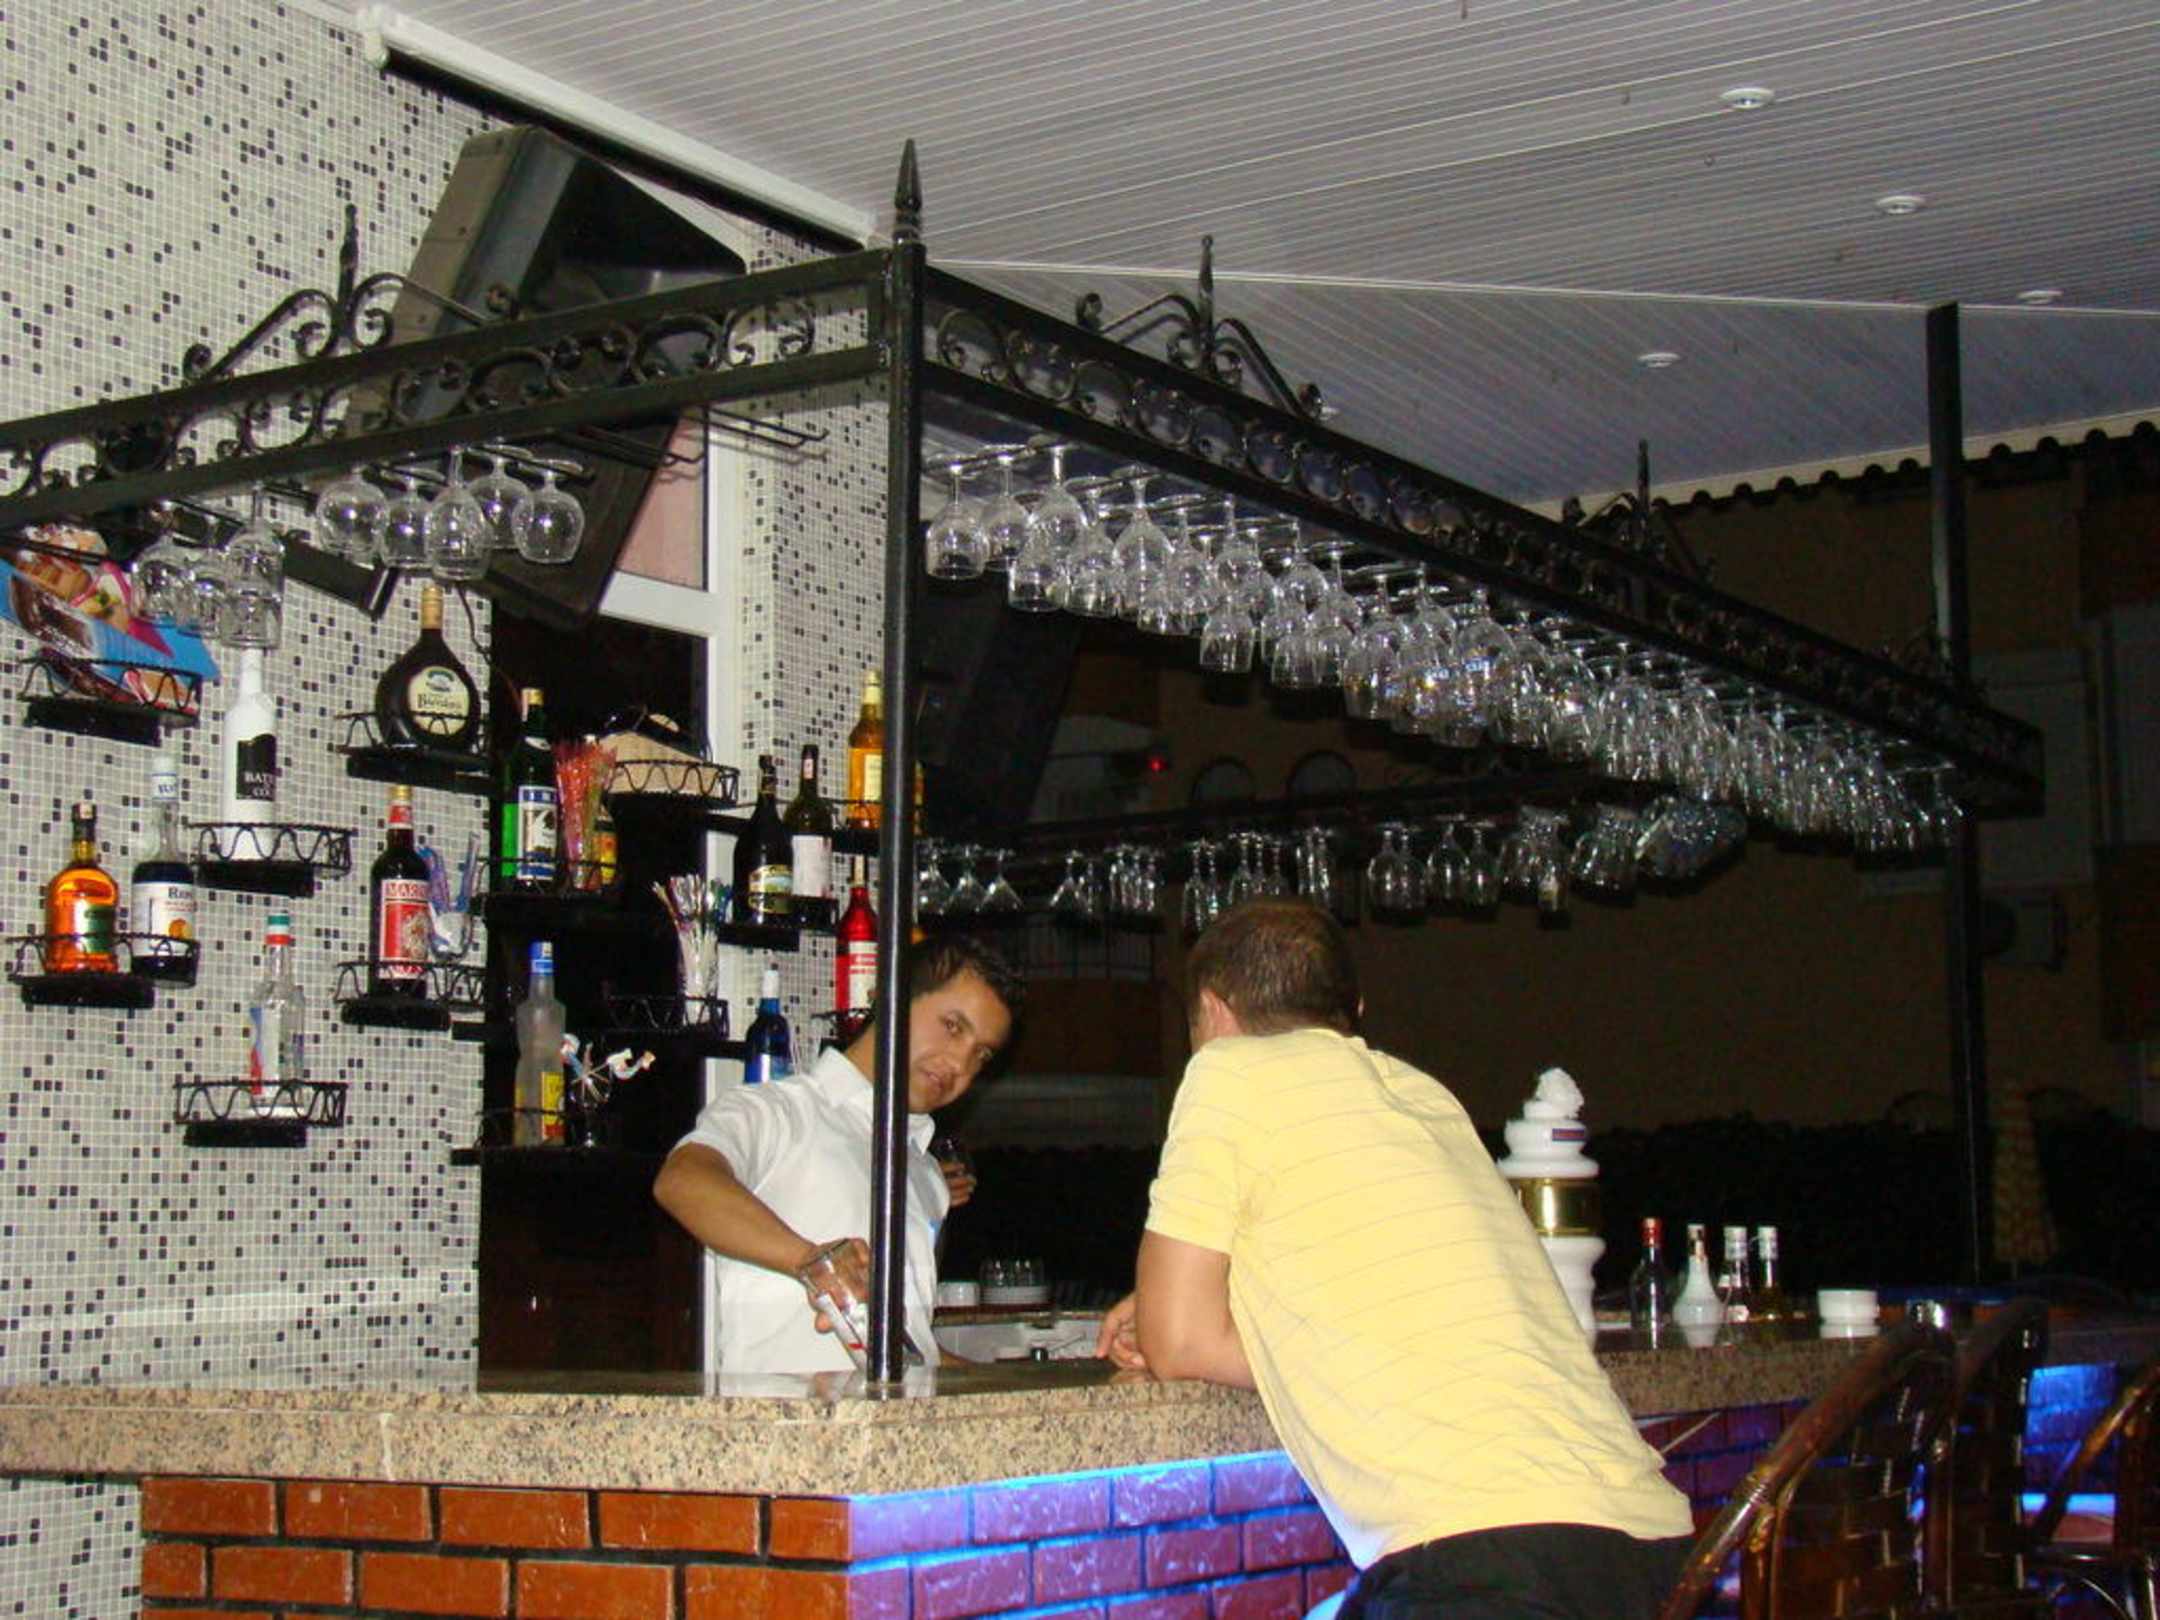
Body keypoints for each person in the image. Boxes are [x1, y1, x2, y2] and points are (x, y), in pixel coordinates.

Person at [1096, 897, 1693, 1620]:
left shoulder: (1231, 1070)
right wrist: (1224, 1305)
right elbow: (1407, 1312)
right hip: (1648, 1551)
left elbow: (1179, 1342)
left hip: (1482, 1557)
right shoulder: (1424, 1096)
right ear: (1352, 1011)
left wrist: (1177, 1314)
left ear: (1214, 1012)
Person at [654, 935, 1021, 1374]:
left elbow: (903, 1348)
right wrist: (810, 1260)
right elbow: (682, 1181)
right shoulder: (778, 1110)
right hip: (781, 1416)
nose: (961, 1064)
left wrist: (1007, 1384)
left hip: (890, 1416)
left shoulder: (923, 1170)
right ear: (892, 998)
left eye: (981, 1054)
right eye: (953, 1026)